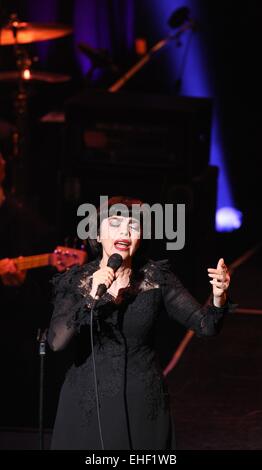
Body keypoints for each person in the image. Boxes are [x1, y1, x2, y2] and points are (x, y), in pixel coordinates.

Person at [47, 196, 232, 450]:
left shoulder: (156, 278)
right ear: (97, 234)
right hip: (86, 407)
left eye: (133, 225)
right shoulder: (75, 281)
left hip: (142, 406)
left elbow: (206, 326)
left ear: (140, 237)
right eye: (114, 223)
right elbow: (56, 342)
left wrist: (219, 296)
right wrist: (91, 295)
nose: (124, 231)